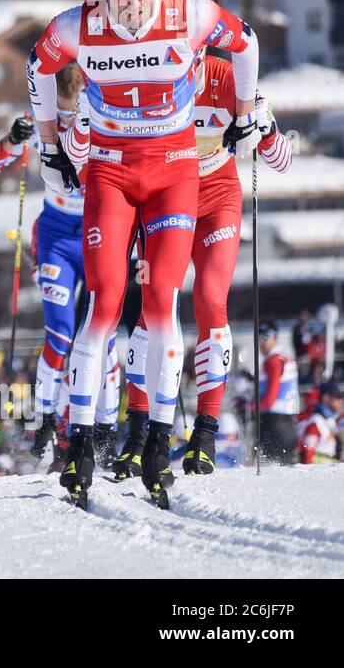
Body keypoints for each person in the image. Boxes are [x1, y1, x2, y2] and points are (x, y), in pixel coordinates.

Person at [27, 0, 260, 504]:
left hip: (175, 173)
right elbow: (37, 68)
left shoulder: (192, 14)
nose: (132, 4)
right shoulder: (75, 26)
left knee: (162, 304)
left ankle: (159, 439)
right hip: (110, 171)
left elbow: (248, 42)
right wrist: (51, 145)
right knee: (105, 302)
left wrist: (247, 113)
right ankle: (79, 442)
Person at [112, 55, 292, 478]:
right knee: (152, 310)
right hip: (165, 200)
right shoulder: (151, 76)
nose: (182, 74)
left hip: (216, 200)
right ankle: (138, 434)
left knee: (211, 302)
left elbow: (282, 160)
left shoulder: (228, 78)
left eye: (190, 63)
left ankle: (205, 434)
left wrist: (263, 127)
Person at [0, 66, 120, 466]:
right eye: (64, 113)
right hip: (56, 235)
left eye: (75, 114)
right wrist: (10, 141)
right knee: (59, 334)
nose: (70, 122)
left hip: (99, 232)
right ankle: (45, 421)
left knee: (103, 336)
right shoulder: (41, 120)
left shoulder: (107, 115)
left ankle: (105, 428)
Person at [257, 322, 299, 465]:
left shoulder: (273, 361)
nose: (261, 343)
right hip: (286, 424)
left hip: (275, 425)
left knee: (270, 474)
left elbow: (269, 400)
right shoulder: (283, 359)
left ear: (275, 338)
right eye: (258, 338)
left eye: (265, 338)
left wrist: (249, 405)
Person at [298, 381, 341, 464]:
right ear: (326, 398)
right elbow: (308, 451)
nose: (341, 400)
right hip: (317, 471)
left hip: (326, 467)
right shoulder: (316, 421)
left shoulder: (329, 420)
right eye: (338, 397)